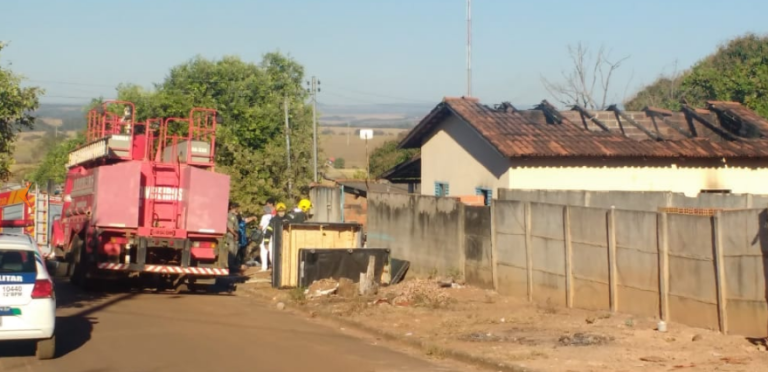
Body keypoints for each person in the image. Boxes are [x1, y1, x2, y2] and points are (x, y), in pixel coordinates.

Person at [261, 202, 290, 271]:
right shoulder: (273, 220)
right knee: (273, 257)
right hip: (276, 242)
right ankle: (276, 270)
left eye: (283, 211)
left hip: (287, 241)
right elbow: (268, 232)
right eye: (280, 211)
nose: (281, 213)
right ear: (277, 212)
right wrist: (266, 242)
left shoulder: (289, 218)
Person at [226, 202, 240, 270]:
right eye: (236, 208)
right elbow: (230, 227)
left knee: (235, 250)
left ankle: (232, 265)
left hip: (234, 234)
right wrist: (235, 234)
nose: (236, 209)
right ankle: (230, 266)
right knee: (231, 251)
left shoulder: (234, 215)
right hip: (230, 234)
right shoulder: (230, 215)